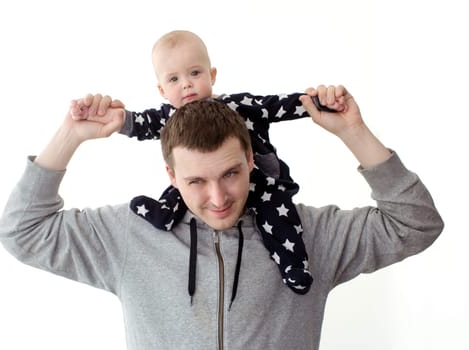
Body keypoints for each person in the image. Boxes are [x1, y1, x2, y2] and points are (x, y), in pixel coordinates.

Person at [0, 86, 444, 349]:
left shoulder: (308, 236)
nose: (217, 198)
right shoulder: (132, 235)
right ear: (170, 174)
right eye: (196, 182)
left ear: (251, 158)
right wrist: (69, 136)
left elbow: (416, 223)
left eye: (230, 173)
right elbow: (22, 231)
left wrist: (353, 132)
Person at [72, 30, 344, 293]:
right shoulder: (169, 116)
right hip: (202, 187)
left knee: (279, 215)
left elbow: (277, 105)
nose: (186, 84)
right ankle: (165, 214)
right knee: (183, 188)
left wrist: (319, 102)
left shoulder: (241, 105)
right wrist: (118, 120)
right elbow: (140, 123)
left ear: (212, 75)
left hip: (259, 182)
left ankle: (294, 264)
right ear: (162, 90)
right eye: (174, 79)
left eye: (194, 73)